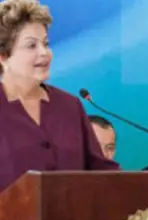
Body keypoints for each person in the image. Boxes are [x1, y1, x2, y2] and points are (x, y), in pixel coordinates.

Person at [0, 0, 118, 193]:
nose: (44, 53)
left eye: (46, 44)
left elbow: (100, 171)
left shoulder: (70, 106)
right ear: (3, 56)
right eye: (31, 46)